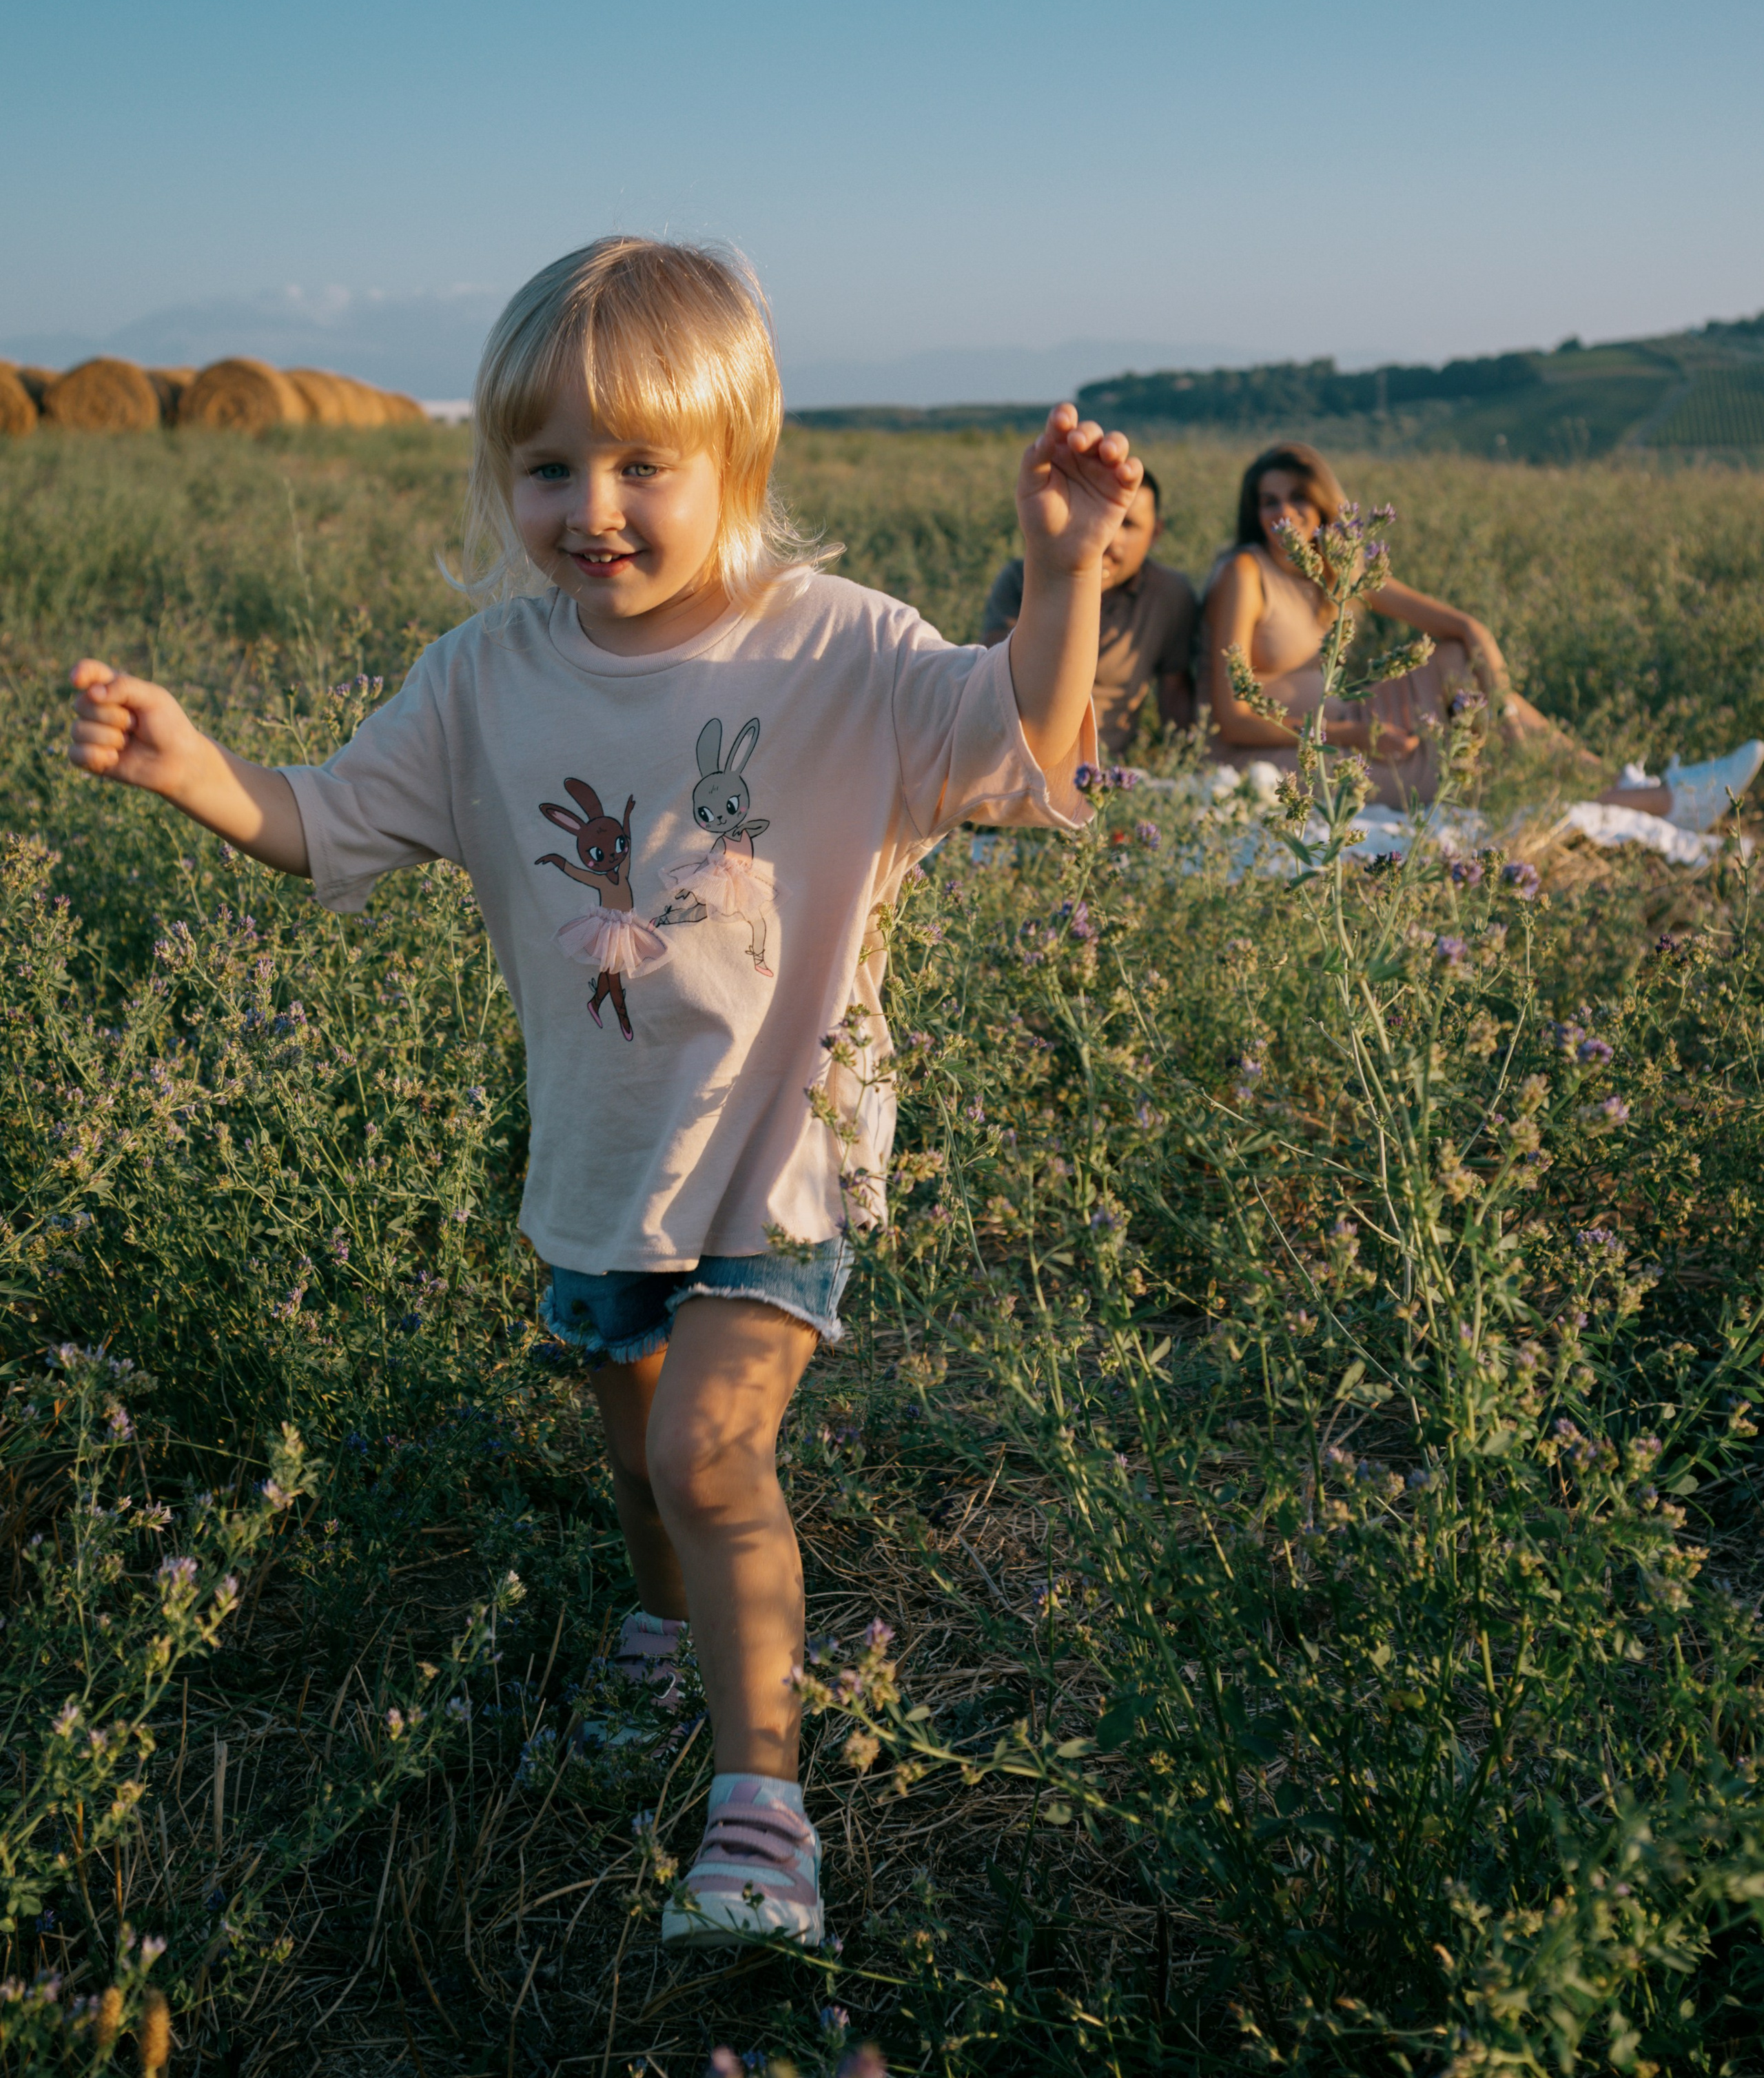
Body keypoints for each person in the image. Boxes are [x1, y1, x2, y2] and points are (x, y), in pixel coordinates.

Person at [68, 237, 1136, 1952]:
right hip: (598, 1154)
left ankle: (762, 1807)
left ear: (738, 459)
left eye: (643, 462)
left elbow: (1017, 746)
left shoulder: (838, 650)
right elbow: (324, 822)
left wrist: (1062, 575)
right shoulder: (481, 677)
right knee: (640, 1468)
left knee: (712, 1459)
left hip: (778, 1149)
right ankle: (658, 1636)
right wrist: (194, 768)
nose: (593, 507)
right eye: (549, 466)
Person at [1203, 440, 1762, 825]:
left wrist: (1506, 710)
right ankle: (1661, 801)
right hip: (1288, 751)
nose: (1284, 514)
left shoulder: (1336, 568)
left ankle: (1623, 782)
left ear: (1323, 504)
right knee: (1472, 771)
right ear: (1254, 512)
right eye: (1269, 502)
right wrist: (1351, 736)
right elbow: (1232, 718)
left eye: (1298, 497)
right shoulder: (1245, 574)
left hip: (1355, 718)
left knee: (1455, 661)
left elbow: (1464, 628)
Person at [981, 464, 1195, 753]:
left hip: (1105, 768)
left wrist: (1182, 764)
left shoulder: (1168, 595)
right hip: (1018, 756)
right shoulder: (1022, 579)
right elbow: (995, 686)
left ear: (1155, 533)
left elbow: (1175, 696)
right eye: (1099, 516)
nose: (1108, 537)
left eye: (1127, 524)